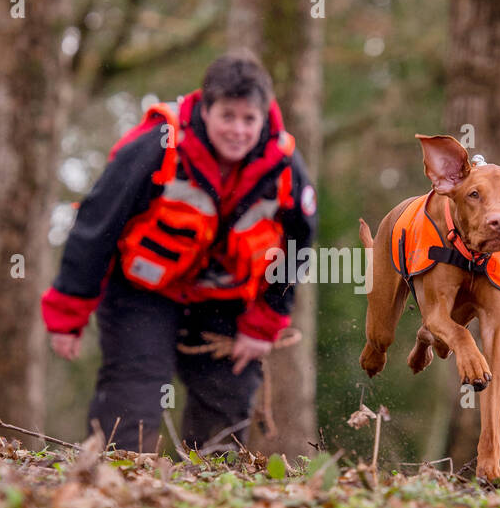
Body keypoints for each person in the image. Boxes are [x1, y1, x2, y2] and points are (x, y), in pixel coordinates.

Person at [41, 51, 317, 452]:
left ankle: (210, 498)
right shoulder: (157, 144)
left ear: (264, 117)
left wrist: (263, 325)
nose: (238, 130)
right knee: (131, 399)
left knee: (226, 408)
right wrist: (68, 313)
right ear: (205, 109)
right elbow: (97, 223)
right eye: (228, 116)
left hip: (225, 303)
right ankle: (111, 492)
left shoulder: (286, 166)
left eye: (249, 119)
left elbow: (297, 247)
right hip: (141, 293)